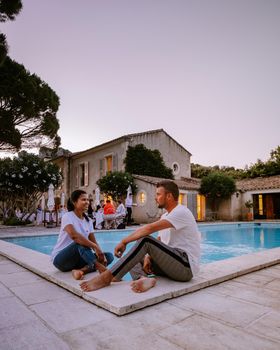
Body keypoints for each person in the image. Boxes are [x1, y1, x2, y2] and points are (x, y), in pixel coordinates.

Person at [80, 180, 201, 293]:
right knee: (137, 249)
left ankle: (107, 277)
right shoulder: (165, 216)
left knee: (145, 239)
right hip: (170, 265)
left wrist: (124, 241)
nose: (155, 197)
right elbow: (159, 240)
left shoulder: (181, 212)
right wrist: (148, 256)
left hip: (185, 268)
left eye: (158, 194)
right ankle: (143, 278)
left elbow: (149, 229)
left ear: (169, 196)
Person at [51, 190, 114, 280]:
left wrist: (99, 252)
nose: (87, 202)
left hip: (78, 261)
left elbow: (93, 241)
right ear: (74, 202)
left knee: (108, 256)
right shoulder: (67, 216)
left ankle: (80, 271)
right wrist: (95, 247)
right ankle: (103, 271)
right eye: (83, 199)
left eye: (88, 200)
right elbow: (75, 236)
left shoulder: (88, 220)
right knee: (80, 243)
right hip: (61, 260)